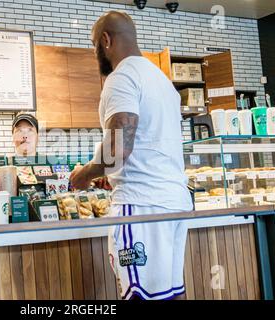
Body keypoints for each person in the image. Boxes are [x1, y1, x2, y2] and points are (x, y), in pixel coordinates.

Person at [69, 11, 193, 300]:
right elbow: (145, 148)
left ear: (105, 40)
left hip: (141, 207)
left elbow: (119, 148)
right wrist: (110, 175)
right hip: (174, 203)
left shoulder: (121, 77)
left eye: (94, 45)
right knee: (171, 294)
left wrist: (85, 175)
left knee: (138, 295)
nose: (95, 53)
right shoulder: (162, 81)